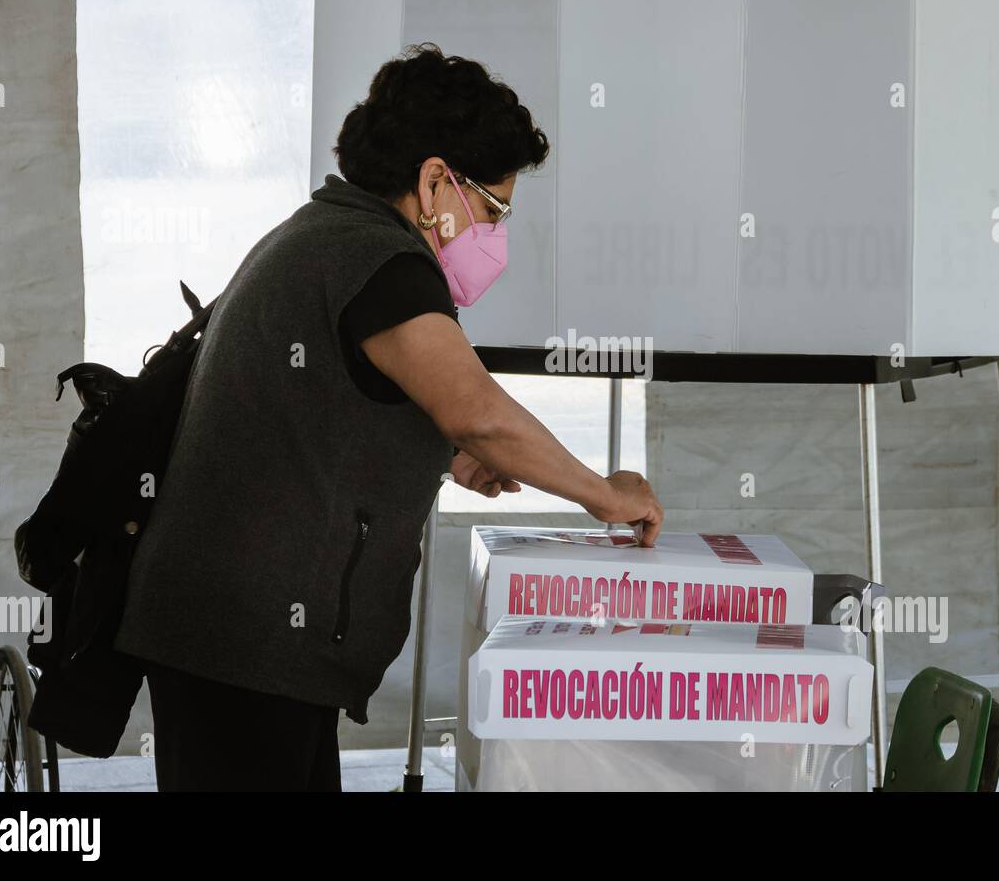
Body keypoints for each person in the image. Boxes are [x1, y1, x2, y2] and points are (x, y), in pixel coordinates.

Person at [112, 43, 664, 791]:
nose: (495, 237)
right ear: (437, 179)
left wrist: (437, 453)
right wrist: (606, 493)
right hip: (246, 646)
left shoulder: (325, 234)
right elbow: (478, 412)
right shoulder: (382, 261)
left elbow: (324, 408)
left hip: (243, 643)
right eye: (493, 208)